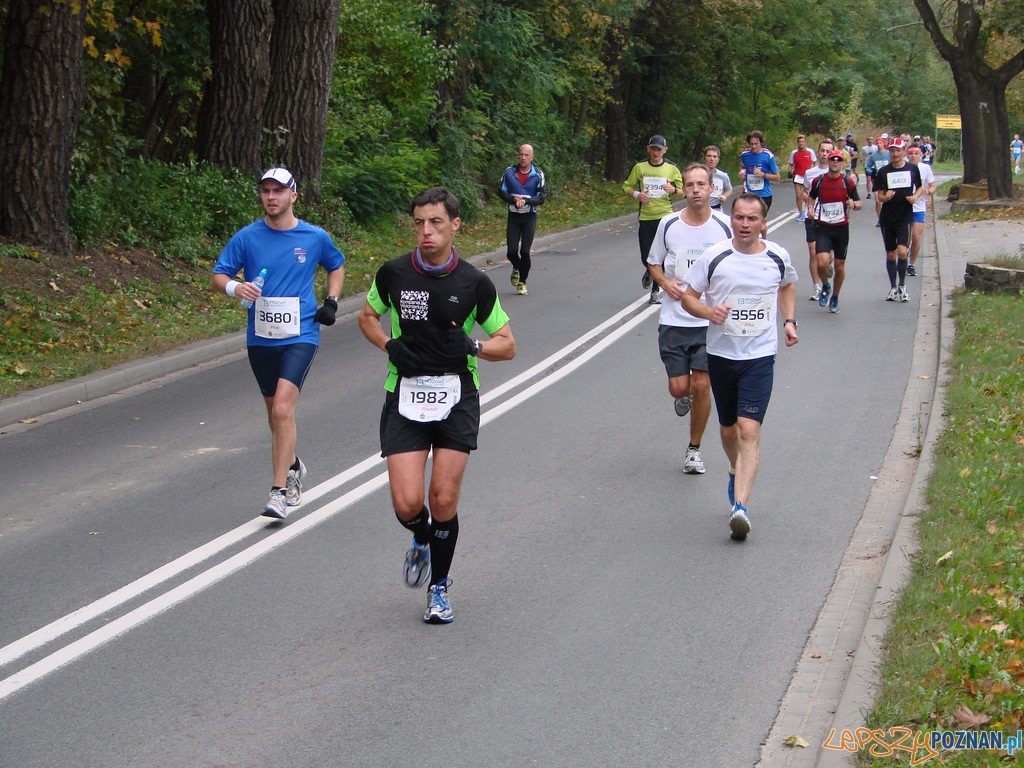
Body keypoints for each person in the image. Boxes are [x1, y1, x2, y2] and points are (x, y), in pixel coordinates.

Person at [358, 187, 516, 624]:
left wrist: (473, 344)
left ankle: (440, 588)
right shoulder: (393, 273)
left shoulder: (474, 282)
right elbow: (367, 318)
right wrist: (389, 345)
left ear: (455, 225)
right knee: (408, 504)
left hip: (456, 396)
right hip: (405, 392)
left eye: (436, 223)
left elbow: (508, 346)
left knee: (442, 497)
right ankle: (423, 538)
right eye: (419, 223)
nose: (426, 231)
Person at [211, 167, 346, 520]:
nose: (271, 197)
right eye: (266, 191)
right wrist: (235, 287)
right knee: (275, 414)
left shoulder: (314, 236)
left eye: (278, 191)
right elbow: (219, 274)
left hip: (301, 333)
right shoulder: (247, 237)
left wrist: (331, 301)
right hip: (261, 336)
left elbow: (336, 264)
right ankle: (293, 463)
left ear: (293, 196)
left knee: (284, 409)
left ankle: (279, 492)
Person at [680, 193, 798, 541]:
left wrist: (789, 320)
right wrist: (708, 312)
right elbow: (688, 295)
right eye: (739, 218)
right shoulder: (715, 257)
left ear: (764, 222)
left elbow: (787, 285)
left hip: (760, 356)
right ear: (732, 219)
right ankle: (735, 469)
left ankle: (741, 508)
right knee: (729, 429)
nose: (745, 224)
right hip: (721, 355)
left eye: (752, 219)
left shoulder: (777, 256)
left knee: (749, 430)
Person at [646, 164, 733, 474]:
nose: (696, 189)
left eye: (701, 184)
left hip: (710, 321)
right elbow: (653, 262)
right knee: (679, 388)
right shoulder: (668, 224)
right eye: (690, 185)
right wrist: (666, 283)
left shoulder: (725, 225)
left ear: (712, 188)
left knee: (701, 385)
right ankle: (682, 396)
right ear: (682, 189)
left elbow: (739, 261)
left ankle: (693, 449)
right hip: (674, 320)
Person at [622, 135, 685, 304]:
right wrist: (637, 194)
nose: (656, 152)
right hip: (646, 217)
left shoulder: (672, 169)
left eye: (659, 149)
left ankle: (655, 291)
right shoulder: (640, 167)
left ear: (665, 150)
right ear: (648, 148)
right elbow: (626, 185)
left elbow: (683, 191)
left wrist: (672, 189)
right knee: (646, 256)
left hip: (665, 216)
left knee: (661, 257)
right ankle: (650, 271)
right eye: (653, 149)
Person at [808, 150, 862, 313]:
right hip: (823, 226)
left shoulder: (847, 182)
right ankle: (825, 286)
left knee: (839, 266)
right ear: (829, 162)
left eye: (839, 160)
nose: (835, 162)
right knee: (822, 262)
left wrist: (854, 205)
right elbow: (811, 196)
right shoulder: (819, 181)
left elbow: (858, 203)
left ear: (843, 163)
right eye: (833, 160)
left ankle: (835, 297)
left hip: (841, 228)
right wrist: (810, 207)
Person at [873, 138, 923, 302]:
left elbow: (920, 186)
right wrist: (885, 197)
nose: (895, 153)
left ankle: (902, 285)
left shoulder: (912, 169)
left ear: (903, 151)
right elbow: (879, 195)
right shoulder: (884, 172)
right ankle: (893, 287)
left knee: (902, 251)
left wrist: (915, 196)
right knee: (890, 255)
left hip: (905, 217)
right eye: (892, 150)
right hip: (888, 218)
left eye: (898, 150)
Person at [498, 143, 547, 296]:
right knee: (511, 252)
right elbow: (500, 192)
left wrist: (526, 201)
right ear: (518, 156)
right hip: (514, 217)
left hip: (529, 217)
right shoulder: (509, 173)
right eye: (521, 154)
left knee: (525, 251)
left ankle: (522, 282)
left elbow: (542, 197)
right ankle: (517, 267)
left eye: (526, 155)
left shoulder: (538, 174)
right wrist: (513, 199)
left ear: (532, 157)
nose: (523, 157)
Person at [803, 140, 833, 301]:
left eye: (828, 151)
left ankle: (828, 263)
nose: (824, 154)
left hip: (831, 218)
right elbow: (806, 192)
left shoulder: (837, 173)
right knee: (813, 251)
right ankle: (817, 287)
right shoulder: (810, 173)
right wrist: (808, 203)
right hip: (813, 217)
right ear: (818, 152)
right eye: (822, 150)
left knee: (827, 256)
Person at [906, 143, 936, 277]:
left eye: (916, 154)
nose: (913, 156)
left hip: (918, 207)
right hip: (903, 207)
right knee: (904, 238)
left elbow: (933, 185)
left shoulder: (925, 168)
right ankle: (903, 254)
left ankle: (911, 264)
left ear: (921, 155)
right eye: (911, 153)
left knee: (916, 236)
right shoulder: (903, 167)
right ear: (907, 155)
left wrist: (928, 191)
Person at [739, 130, 781, 211]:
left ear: (761, 143)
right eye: (751, 144)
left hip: (764, 194)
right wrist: (742, 172)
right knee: (748, 219)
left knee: (759, 221)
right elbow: (743, 167)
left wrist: (763, 175)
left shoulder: (768, 156)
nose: (754, 146)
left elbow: (777, 177)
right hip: (748, 192)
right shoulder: (745, 154)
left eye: (756, 144)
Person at [787, 135, 816, 221]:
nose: (801, 143)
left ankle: (810, 210)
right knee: (798, 195)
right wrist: (789, 171)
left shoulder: (810, 152)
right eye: (799, 142)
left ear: (805, 142)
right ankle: (801, 214)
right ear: (797, 143)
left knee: (807, 195)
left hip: (808, 176)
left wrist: (813, 172)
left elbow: (815, 163)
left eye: (803, 141)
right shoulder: (794, 153)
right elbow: (791, 164)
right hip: (798, 175)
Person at [866, 141, 891, 220]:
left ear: (884, 144)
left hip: (888, 179)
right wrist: (871, 172)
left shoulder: (889, 154)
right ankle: (880, 219)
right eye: (877, 143)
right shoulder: (873, 156)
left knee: (887, 200)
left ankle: (888, 217)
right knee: (877, 201)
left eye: (881, 143)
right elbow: (867, 167)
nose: (879, 145)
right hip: (877, 179)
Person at [704, 145, 733, 211]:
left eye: (714, 156)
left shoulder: (722, 176)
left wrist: (724, 196)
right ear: (704, 158)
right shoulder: (698, 174)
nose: (711, 159)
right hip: (700, 209)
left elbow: (729, 190)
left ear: (718, 160)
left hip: (716, 209)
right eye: (709, 156)